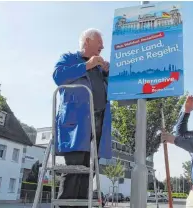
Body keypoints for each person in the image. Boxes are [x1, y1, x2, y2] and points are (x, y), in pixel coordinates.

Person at [52, 28, 112, 208]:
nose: (102, 46)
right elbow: (58, 76)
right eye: (99, 42)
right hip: (76, 126)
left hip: (99, 125)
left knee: (89, 173)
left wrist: (107, 73)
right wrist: (87, 65)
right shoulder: (69, 58)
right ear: (87, 41)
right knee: (73, 172)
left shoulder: (100, 69)